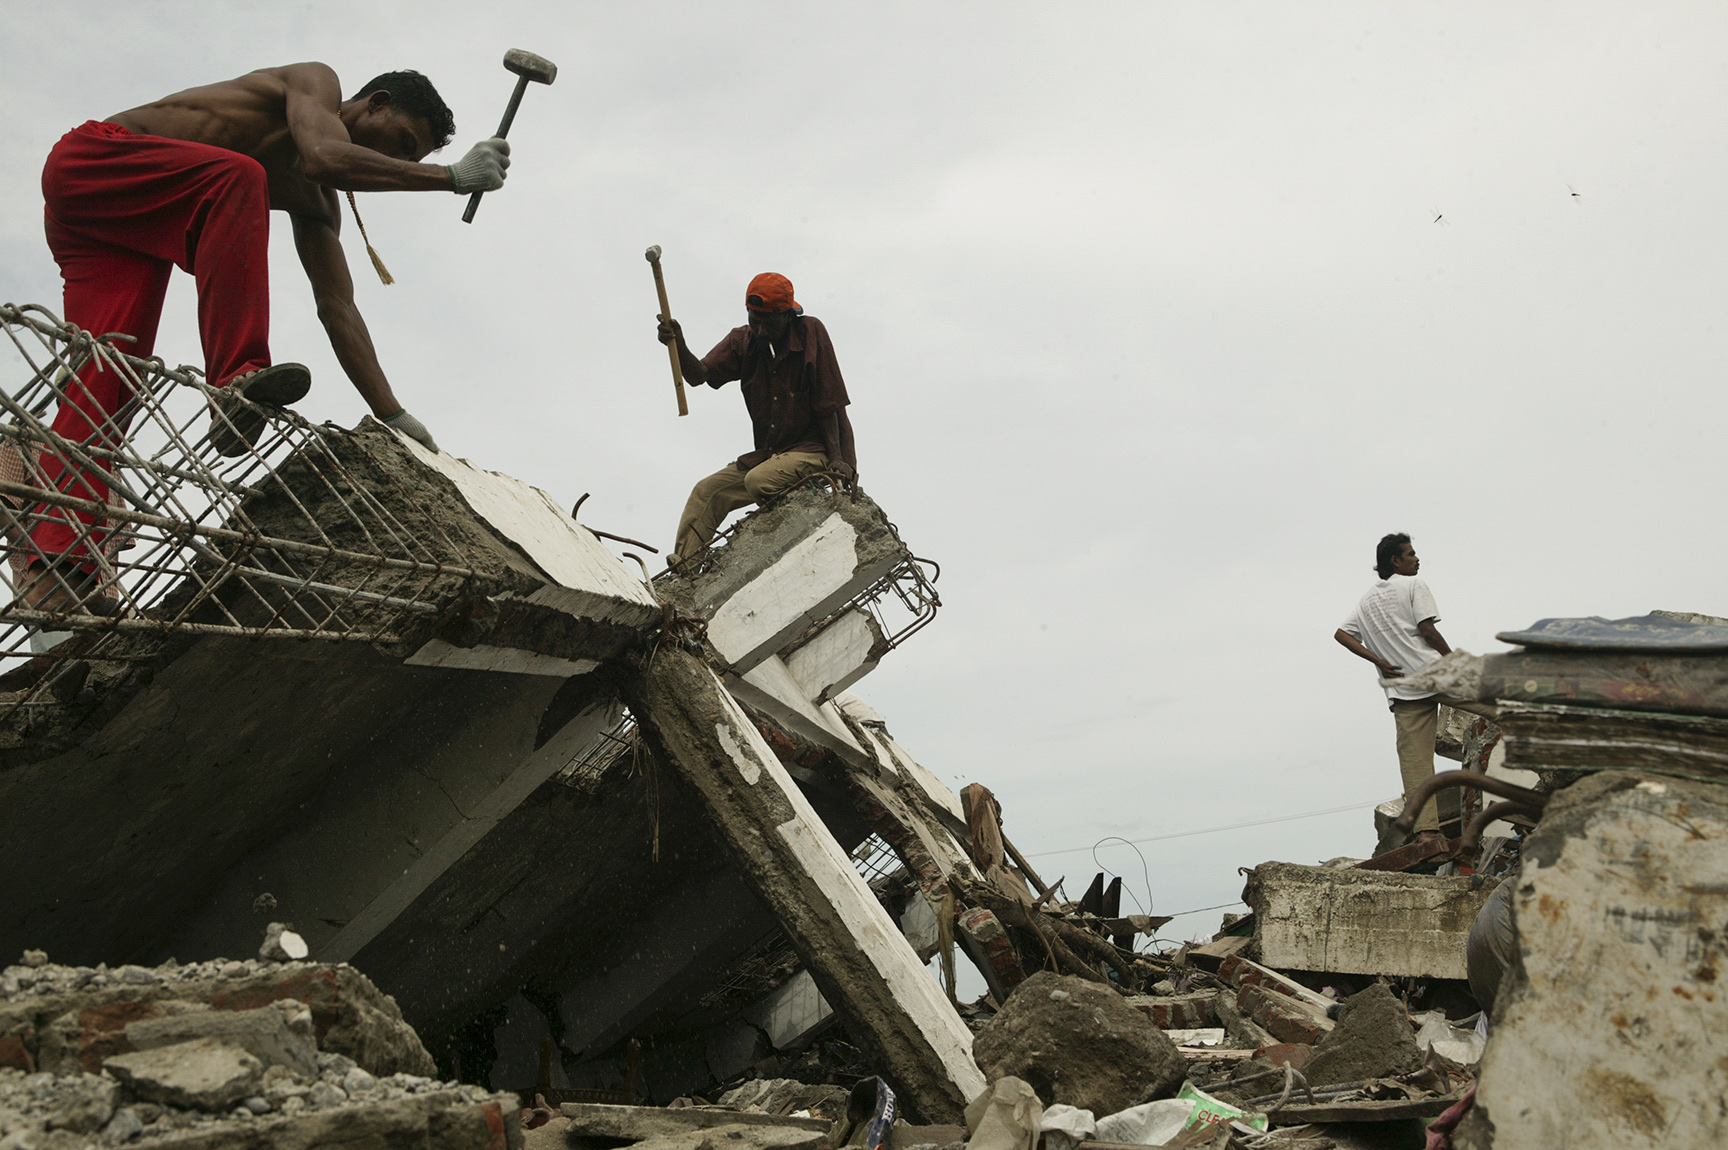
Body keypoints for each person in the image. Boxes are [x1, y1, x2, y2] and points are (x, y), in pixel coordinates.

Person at [22, 63, 510, 612]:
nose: (394, 165)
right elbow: (325, 153)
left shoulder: (318, 201)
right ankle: (235, 382)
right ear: (375, 102)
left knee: (108, 375)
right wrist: (448, 177)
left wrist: (396, 416)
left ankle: (57, 574)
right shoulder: (313, 83)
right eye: (400, 143)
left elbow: (338, 308)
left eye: (406, 160)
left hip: (120, 229)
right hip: (96, 162)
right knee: (240, 177)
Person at [654, 273, 858, 564]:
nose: (760, 331)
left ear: (788, 316)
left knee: (759, 481)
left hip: (814, 452)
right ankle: (686, 569)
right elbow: (699, 375)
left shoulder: (811, 332)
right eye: (754, 321)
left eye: (768, 323)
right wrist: (678, 344)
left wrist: (844, 462)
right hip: (772, 456)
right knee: (707, 491)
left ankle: (779, 534)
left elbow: (832, 405)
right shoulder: (743, 341)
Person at [1333, 533, 1459, 841]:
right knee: (1498, 707)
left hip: (1403, 687)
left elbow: (1341, 634)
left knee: (1415, 763)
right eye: (1411, 554)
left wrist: (1379, 660)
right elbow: (1427, 629)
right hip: (1433, 674)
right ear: (1396, 561)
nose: (1417, 559)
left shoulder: (1366, 601)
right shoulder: (1414, 584)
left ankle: (1427, 833)